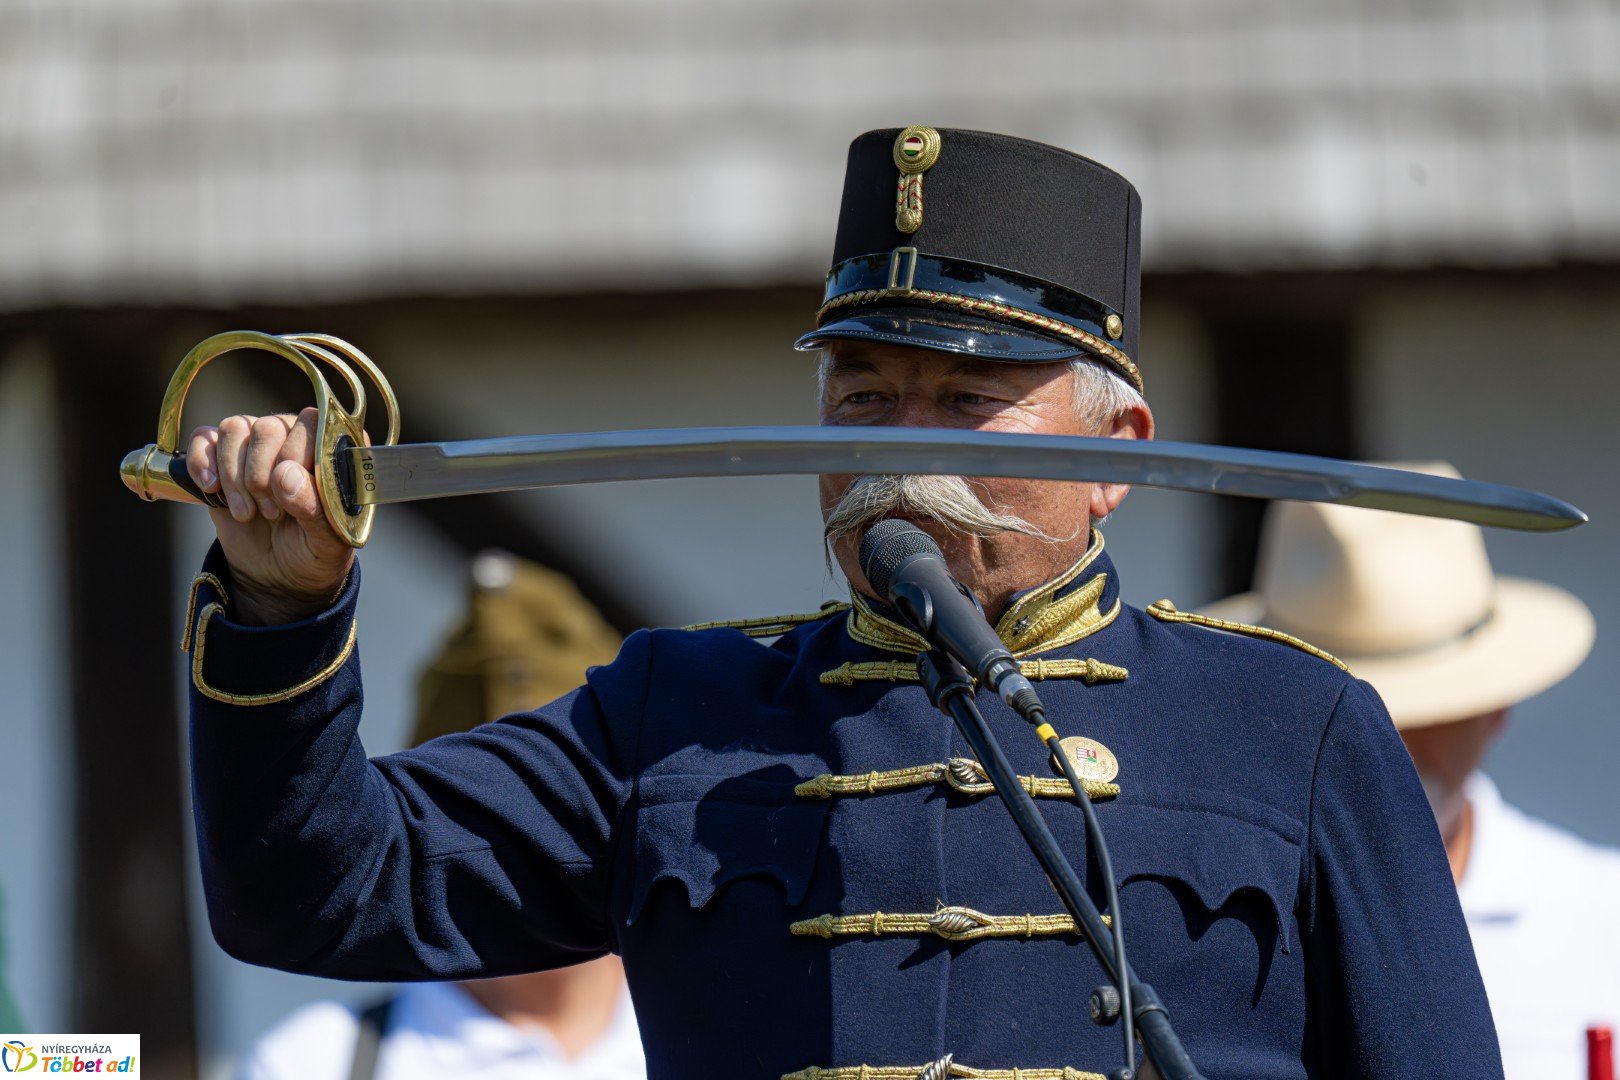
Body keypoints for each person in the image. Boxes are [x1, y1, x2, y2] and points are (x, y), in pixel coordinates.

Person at [175, 127, 1503, 1078]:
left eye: (963, 403)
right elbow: (317, 892)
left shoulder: (1293, 726)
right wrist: (279, 612)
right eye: (863, 397)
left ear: (1118, 458)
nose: (896, 453)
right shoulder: (670, 719)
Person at [1201, 467, 1619, 1080]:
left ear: (1496, 704)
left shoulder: (1601, 916)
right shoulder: (1203, 930)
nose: (1385, 742)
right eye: (1341, 716)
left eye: (1432, 708)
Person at [237, 551, 646, 1080]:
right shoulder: (311, 1064)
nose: (534, 856)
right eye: (475, 818)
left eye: (566, 808)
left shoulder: (740, 1034)